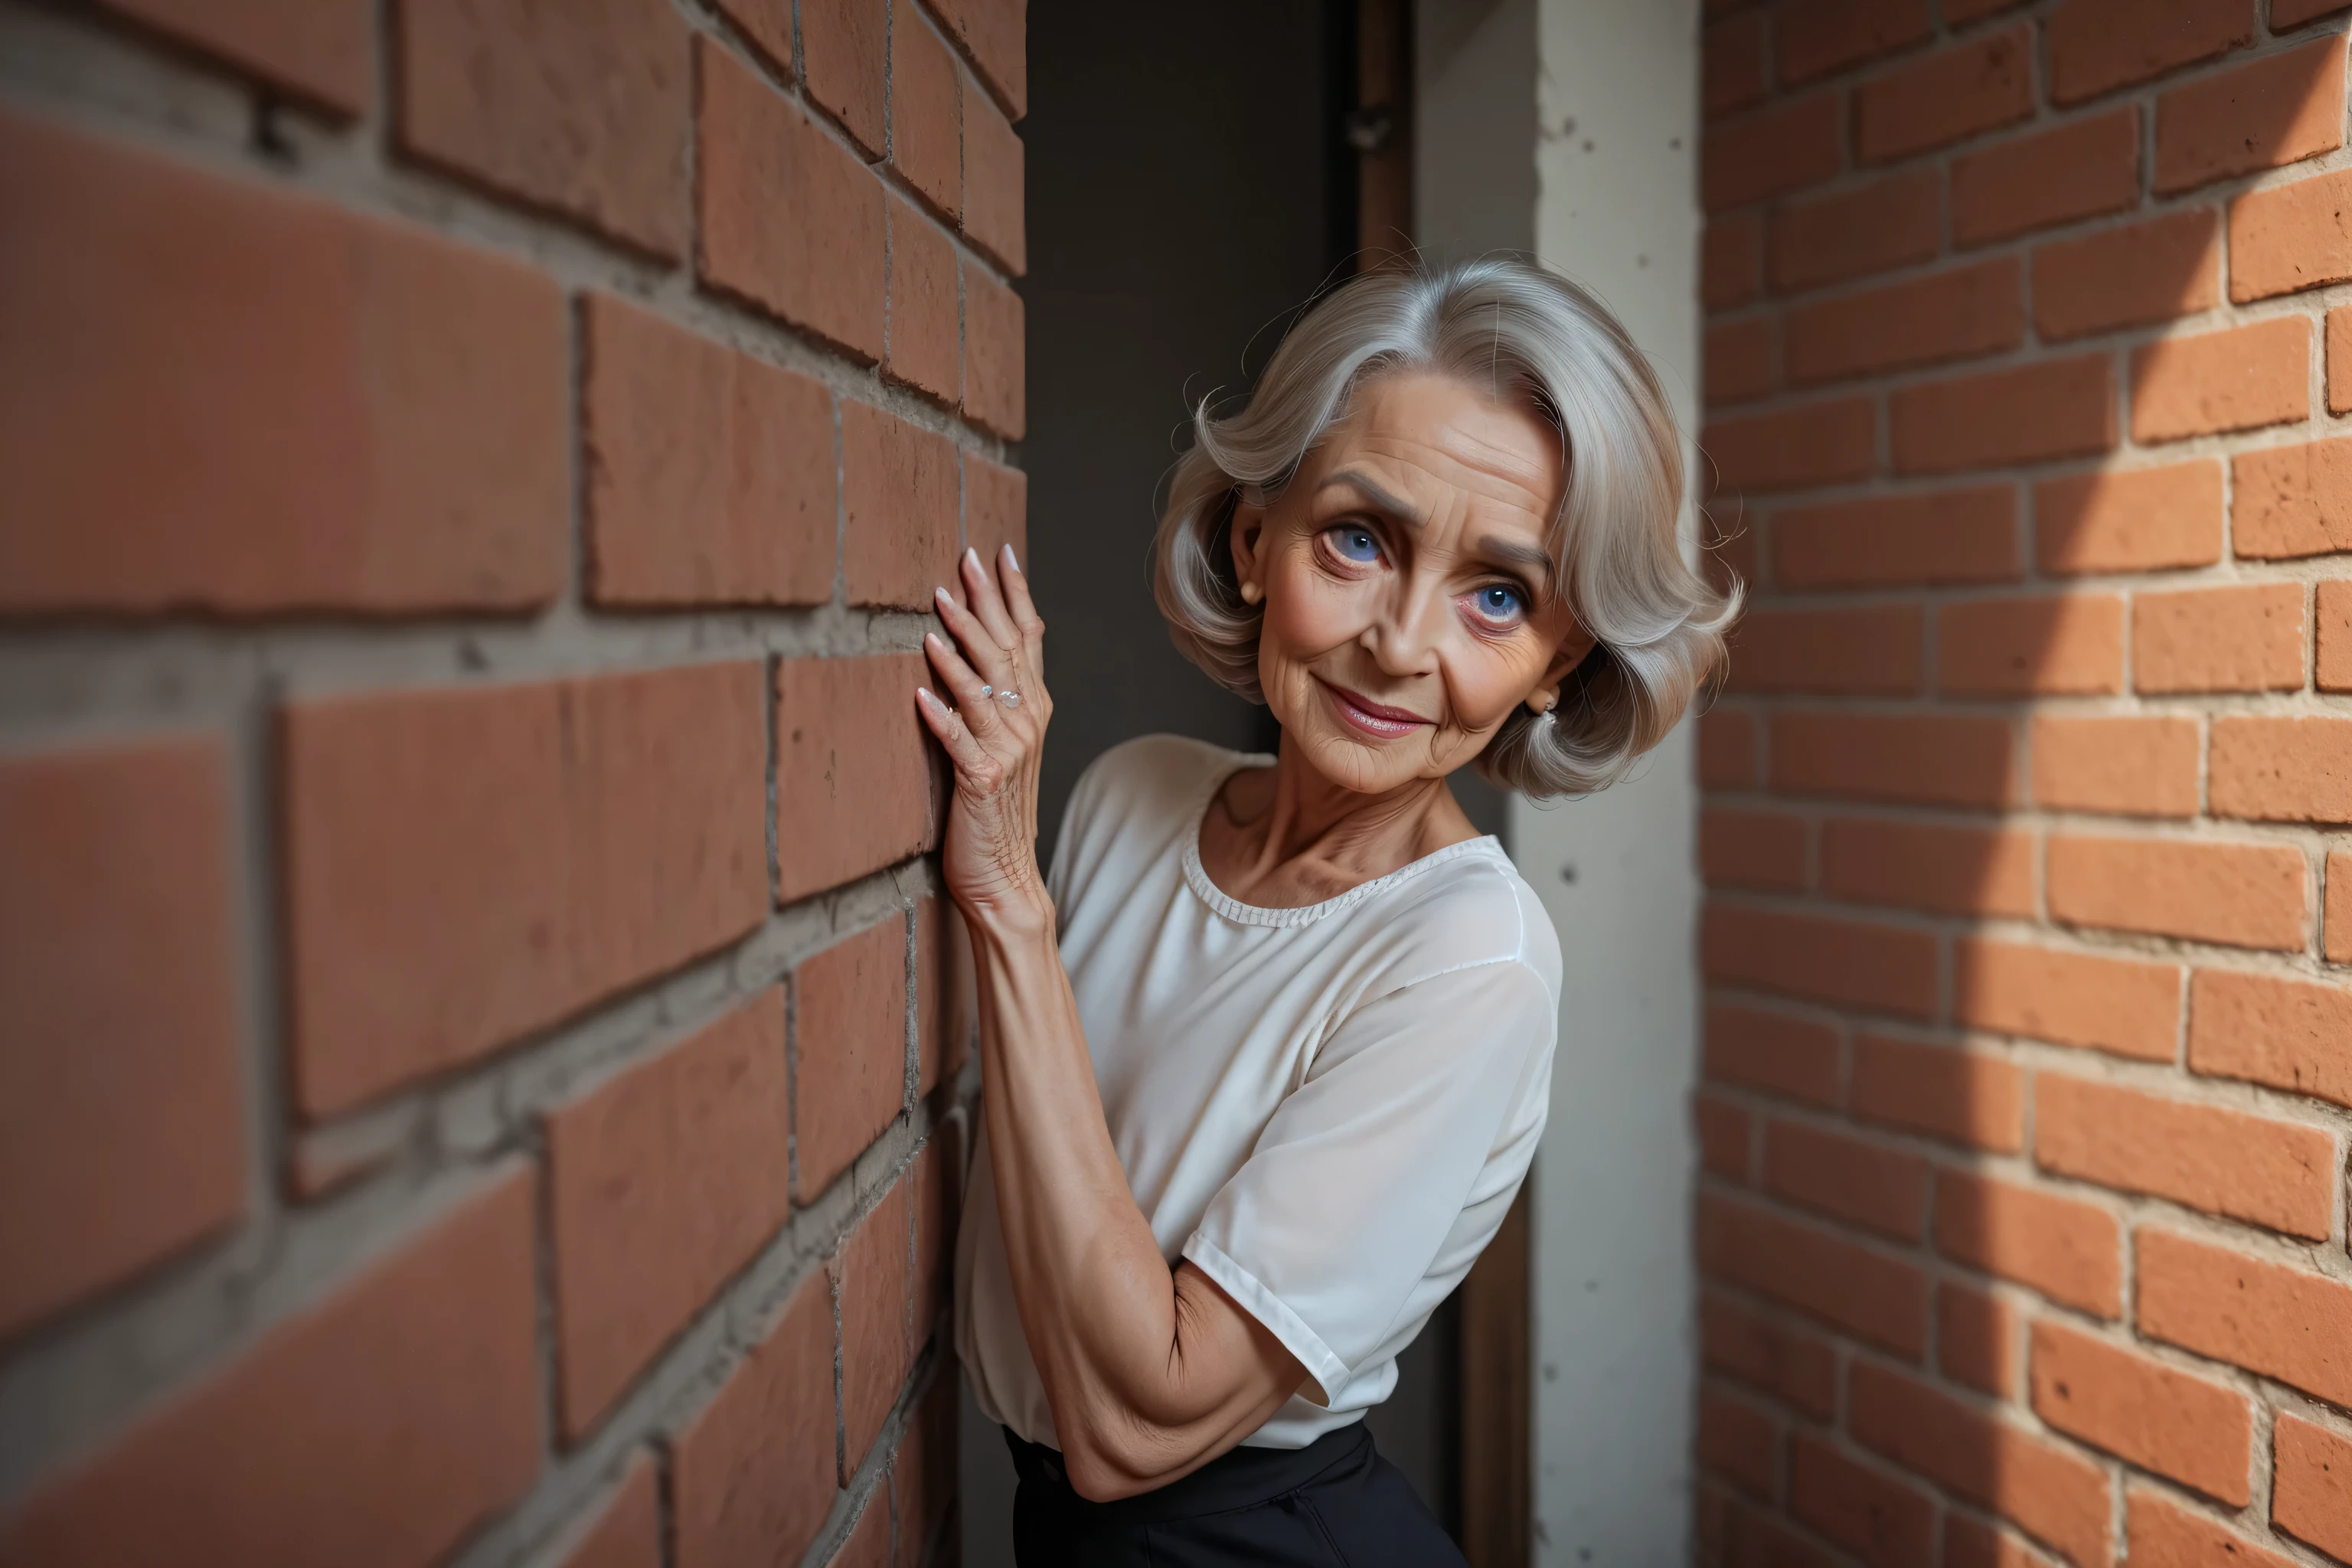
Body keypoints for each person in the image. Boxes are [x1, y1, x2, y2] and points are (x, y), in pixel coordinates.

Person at [914, 256, 1734, 1563]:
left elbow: (1137, 1424)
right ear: (1254, 543)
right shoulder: (1132, 796)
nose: (1403, 643)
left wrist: (1008, 905)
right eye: (1360, 539)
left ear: (1553, 665)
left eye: (1499, 596)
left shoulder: (1473, 958)